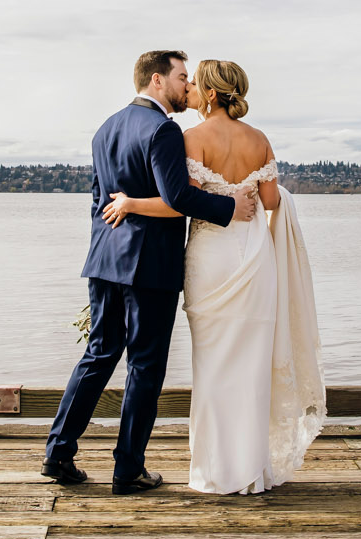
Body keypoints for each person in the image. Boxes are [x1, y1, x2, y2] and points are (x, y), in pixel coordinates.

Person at [101, 58, 326, 494]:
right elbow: (273, 200)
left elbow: (178, 201)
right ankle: (252, 471)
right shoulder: (259, 139)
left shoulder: (192, 138)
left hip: (210, 258)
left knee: (213, 367)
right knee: (252, 366)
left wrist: (129, 203)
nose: (188, 90)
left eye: (194, 84)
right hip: (254, 256)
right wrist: (244, 195)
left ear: (208, 93)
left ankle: (216, 471)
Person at [43, 51, 257, 495]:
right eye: (182, 77)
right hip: (150, 266)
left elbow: (98, 200)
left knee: (99, 354)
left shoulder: (106, 127)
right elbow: (178, 196)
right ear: (157, 80)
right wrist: (230, 207)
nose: (186, 86)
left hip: (105, 258)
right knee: (144, 365)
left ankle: (58, 451)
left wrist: (104, 250)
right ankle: (128, 469)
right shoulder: (163, 129)